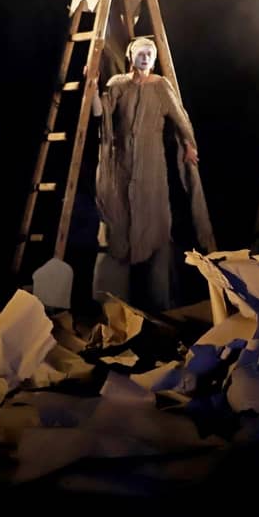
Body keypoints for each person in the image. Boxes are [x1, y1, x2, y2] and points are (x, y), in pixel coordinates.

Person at [95, 36, 214, 312]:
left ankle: (159, 304)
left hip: (152, 171)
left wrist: (188, 144)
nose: (146, 58)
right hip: (122, 168)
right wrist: (91, 87)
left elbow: (180, 118)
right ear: (131, 56)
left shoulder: (161, 86)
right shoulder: (118, 84)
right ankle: (114, 306)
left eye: (150, 54)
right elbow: (101, 114)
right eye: (141, 53)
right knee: (119, 228)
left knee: (156, 230)